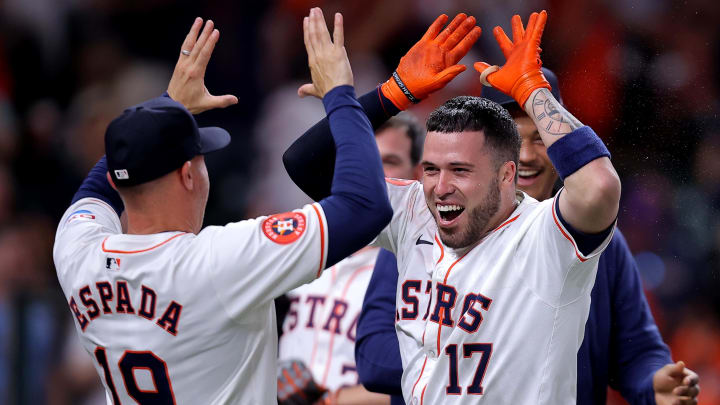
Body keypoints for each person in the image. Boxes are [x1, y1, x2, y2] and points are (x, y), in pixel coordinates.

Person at [284, 10, 625, 404]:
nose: (442, 188)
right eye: (431, 169)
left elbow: (599, 185)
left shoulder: (546, 235)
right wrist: (391, 94)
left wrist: (533, 90)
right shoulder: (414, 211)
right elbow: (306, 164)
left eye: (461, 171)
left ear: (505, 174)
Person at [53, 9, 392, 404]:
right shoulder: (219, 260)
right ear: (188, 176)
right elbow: (364, 204)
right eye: (202, 158)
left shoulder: (77, 251)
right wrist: (340, 93)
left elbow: (98, 186)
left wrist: (165, 109)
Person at [355, 68, 701, 405]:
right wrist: (488, 366)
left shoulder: (600, 246)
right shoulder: (429, 230)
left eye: (540, 138)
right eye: (512, 141)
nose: (525, 155)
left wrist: (653, 382)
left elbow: (636, 351)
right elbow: (373, 356)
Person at [277, 114, 425, 405]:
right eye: (366, 159)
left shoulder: (417, 266)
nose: (374, 173)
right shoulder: (310, 243)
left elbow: (425, 377)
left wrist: (334, 400)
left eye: (389, 161)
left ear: (418, 174)